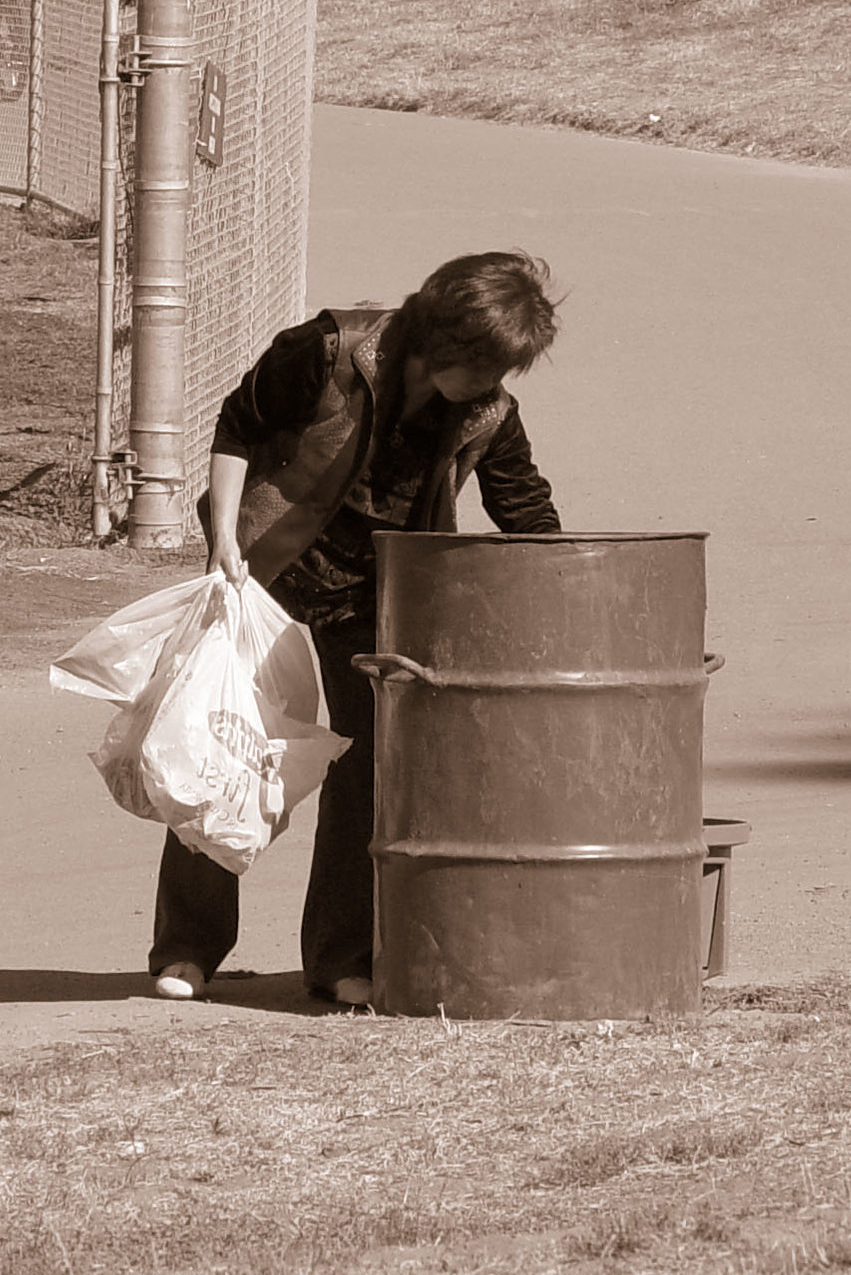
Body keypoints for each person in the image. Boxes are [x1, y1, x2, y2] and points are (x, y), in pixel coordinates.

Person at [150, 250, 563, 1006]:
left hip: (375, 599)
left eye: (504, 369)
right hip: (265, 575)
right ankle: (188, 949)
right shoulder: (330, 349)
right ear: (444, 338)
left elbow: (526, 511)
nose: (491, 384)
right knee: (222, 751)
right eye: (484, 364)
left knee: (364, 767)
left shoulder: (488, 414)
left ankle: (339, 957)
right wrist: (223, 543)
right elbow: (240, 425)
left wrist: (568, 586)